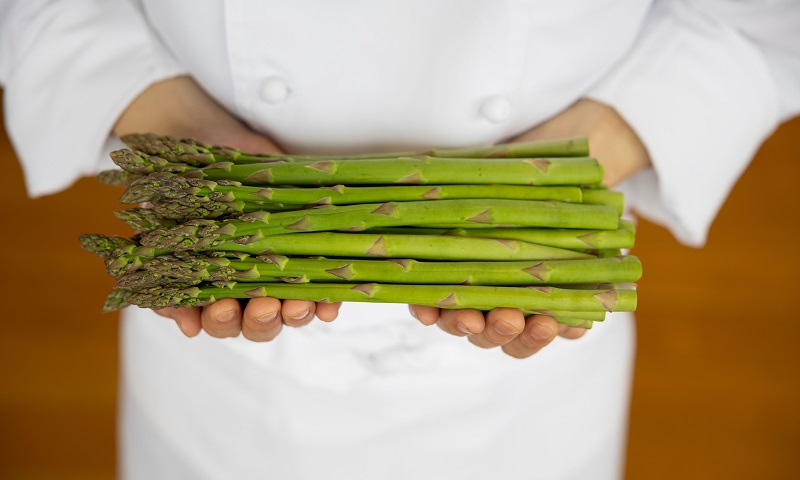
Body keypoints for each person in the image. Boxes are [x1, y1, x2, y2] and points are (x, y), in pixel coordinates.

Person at [2, 1, 798, 479]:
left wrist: (603, 143)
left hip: (528, 417)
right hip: (222, 397)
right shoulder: (203, 223)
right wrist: (165, 117)